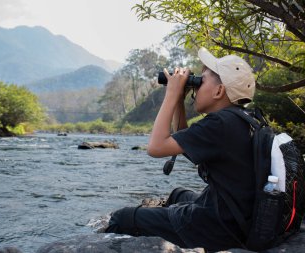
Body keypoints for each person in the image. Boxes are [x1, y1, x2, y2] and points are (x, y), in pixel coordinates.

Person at [105, 47, 256, 252]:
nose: (195, 87)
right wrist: (179, 101)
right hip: (239, 217)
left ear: (219, 91)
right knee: (178, 195)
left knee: (121, 218)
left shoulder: (219, 124)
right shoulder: (243, 119)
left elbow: (156, 147)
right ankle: (166, 224)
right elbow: (184, 139)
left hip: (219, 228)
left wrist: (171, 94)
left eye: (200, 81)